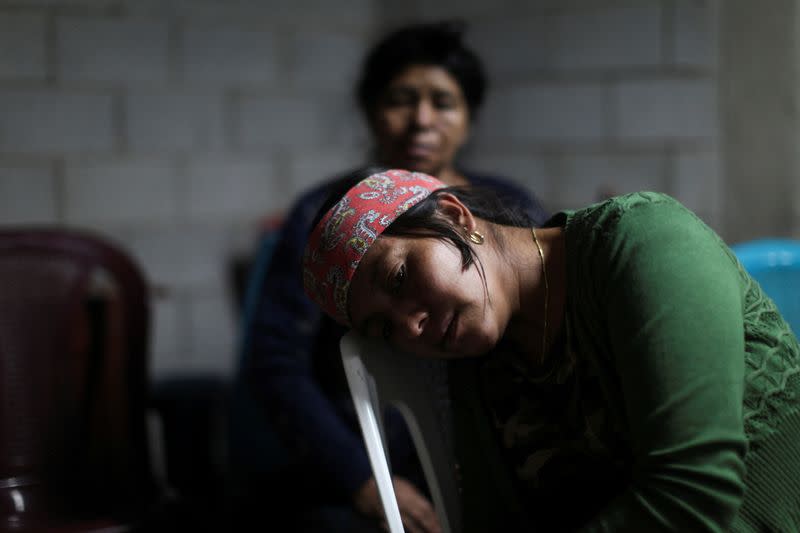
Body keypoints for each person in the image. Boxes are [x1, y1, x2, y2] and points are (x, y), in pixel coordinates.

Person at [302, 167, 800, 532]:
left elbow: (693, 490)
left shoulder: (643, 241)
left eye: (400, 276)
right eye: (384, 329)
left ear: (456, 217)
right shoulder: (479, 367)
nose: (411, 325)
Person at [234, 20, 549, 533]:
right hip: (375, 458)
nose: (421, 120)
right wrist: (362, 477)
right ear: (371, 112)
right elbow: (275, 362)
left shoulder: (506, 207)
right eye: (401, 99)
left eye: (443, 102)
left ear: (468, 119)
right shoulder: (326, 216)